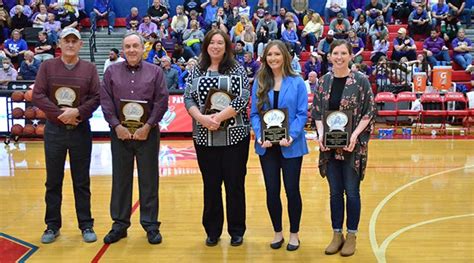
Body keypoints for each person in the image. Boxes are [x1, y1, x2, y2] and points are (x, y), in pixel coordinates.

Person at [32, 28, 100, 244]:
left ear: (80, 45)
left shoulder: (89, 68)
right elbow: (38, 95)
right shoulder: (47, 66)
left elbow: (96, 97)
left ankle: (86, 224)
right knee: (53, 181)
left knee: (81, 181)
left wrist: (78, 112)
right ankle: (52, 226)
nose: (70, 44)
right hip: (54, 130)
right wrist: (61, 114)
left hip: (80, 130)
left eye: (74, 41)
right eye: (66, 41)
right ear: (59, 44)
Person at [100, 32, 169, 245]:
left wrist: (148, 126)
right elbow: (106, 101)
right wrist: (116, 125)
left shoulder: (155, 72)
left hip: (147, 134)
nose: (131, 50)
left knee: (149, 180)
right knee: (121, 180)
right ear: (123, 50)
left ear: (143, 49)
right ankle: (120, 225)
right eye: (127, 46)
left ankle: (150, 225)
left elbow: (161, 101)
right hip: (120, 134)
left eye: (135, 46)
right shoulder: (111, 72)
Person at [183, 29, 250, 247]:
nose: (216, 46)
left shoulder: (237, 68)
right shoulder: (196, 70)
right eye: (212, 42)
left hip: (235, 138)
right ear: (206, 45)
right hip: (205, 138)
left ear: (227, 46)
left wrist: (219, 118)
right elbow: (188, 98)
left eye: (220, 42)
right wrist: (202, 119)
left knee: (234, 185)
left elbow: (243, 97)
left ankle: (237, 230)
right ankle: (212, 231)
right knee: (211, 185)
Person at [312, 39, 375, 257]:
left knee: (352, 192)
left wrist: (355, 136)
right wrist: (320, 135)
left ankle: (352, 235)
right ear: (329, 56)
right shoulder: (323, 82)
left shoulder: (360, 81)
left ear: (350, 56)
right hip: (329, 148)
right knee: (335, 192)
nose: (339, 57)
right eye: (335, 53)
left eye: (343, 53)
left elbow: (369, 112)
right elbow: (318, 113)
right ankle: (336, 233)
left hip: (352, 147)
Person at [250, 40, 308, 251]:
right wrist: (259, 135)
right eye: (269, 55)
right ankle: (277, 232)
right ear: (265, 58)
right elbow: (255, 114)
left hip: (291, 145)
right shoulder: (260, 81)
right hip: (267, 146)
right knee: (272, 190)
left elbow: (302, 114)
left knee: (292, 190)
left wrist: (291, 135)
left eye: (277, 54)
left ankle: (294, 233)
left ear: (285, 56)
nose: (273, 58)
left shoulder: (297, 82)